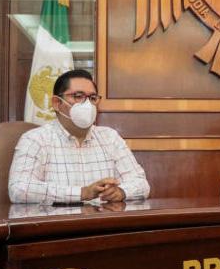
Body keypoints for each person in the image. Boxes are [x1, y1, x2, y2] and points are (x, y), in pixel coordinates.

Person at [8, 69, 150, 203]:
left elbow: (141, 184)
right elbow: (19, 189)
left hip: (103, 218)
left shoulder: (110, 137)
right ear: (57, 103)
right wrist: (82, 193)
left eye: (92, 98)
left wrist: (121, 192)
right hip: (58, 219)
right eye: (78, 96)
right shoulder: (35, 139)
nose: (87, 104)